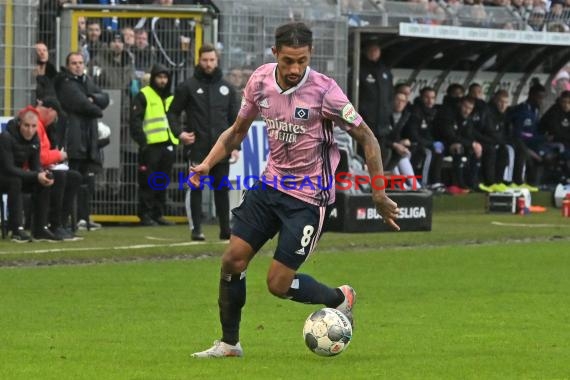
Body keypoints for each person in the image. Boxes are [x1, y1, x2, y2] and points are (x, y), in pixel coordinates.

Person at [190, 22, 400, 358]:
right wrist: (207, 162)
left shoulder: (325, 91)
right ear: (275, 54)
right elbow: (236, 131)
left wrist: (378, 192)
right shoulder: (260, 80)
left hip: (307, 198)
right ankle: (230, 344)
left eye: (301, 60)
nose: (294, 69)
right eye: (288, 60)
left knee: (278, 284)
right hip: (269, 186)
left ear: (310, 55)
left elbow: (367, 137)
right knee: (232, 261)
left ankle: (338, 298)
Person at [167, 43, 240, 241]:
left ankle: (226, 230)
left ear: (217, 61)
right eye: (205, 60)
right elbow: (172, 112)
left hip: (221, 148)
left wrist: (235, 147)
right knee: (196, 188)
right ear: (199, 61)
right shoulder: (188, 87)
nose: (208, 64)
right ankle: (196, 229)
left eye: (212, 60)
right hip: (197, 147)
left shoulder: (228, 88)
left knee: (222, 189)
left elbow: (236, 121)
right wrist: (179, 133)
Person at [55, 51, 110, 230]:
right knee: (72, 180)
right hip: (74, 139)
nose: (78, 66)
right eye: (74, 63)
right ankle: (67, 219)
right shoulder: (65, 83)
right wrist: (95, 106)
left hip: (89, 140)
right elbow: (81, 104)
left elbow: (104, 97)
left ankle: (83, 218)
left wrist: (93, 98)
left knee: (87, 182)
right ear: (68, 65)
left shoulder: (86, 81)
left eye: (80, 62)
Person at [130, 64, 179, 226]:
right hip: (150, 146)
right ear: (153, 78)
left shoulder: (171, 97)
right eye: (159, 77)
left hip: (168, 143)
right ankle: (145, 214)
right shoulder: (144, 95)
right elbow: (135, 121)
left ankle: (158, 213)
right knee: (147, 181)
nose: (163, 80)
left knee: (162, 181)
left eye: (165, 77)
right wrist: (143, 142)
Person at [0, 108, 56, 242]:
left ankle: (40, 229)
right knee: (16, 181)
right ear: (19, 123)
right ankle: (16, 229)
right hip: (3, 175)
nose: (30, 130)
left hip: (16, 176)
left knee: (43, 181)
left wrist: (43, 174)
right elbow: (8, 168)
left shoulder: (35, 139)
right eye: (26, 125)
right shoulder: (5, 137)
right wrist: (35, 175)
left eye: (33, 126)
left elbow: (35, 166)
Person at [35, 98, 83, 240]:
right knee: (61, 176)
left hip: (41, 167)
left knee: (74, 177)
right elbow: (41, 156)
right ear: (50, 111)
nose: (54, 121)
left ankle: (60, 222)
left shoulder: (41, 126)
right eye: (55, 117)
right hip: (34, 170)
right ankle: (53, 224)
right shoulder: (36, 125)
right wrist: (59, 155)